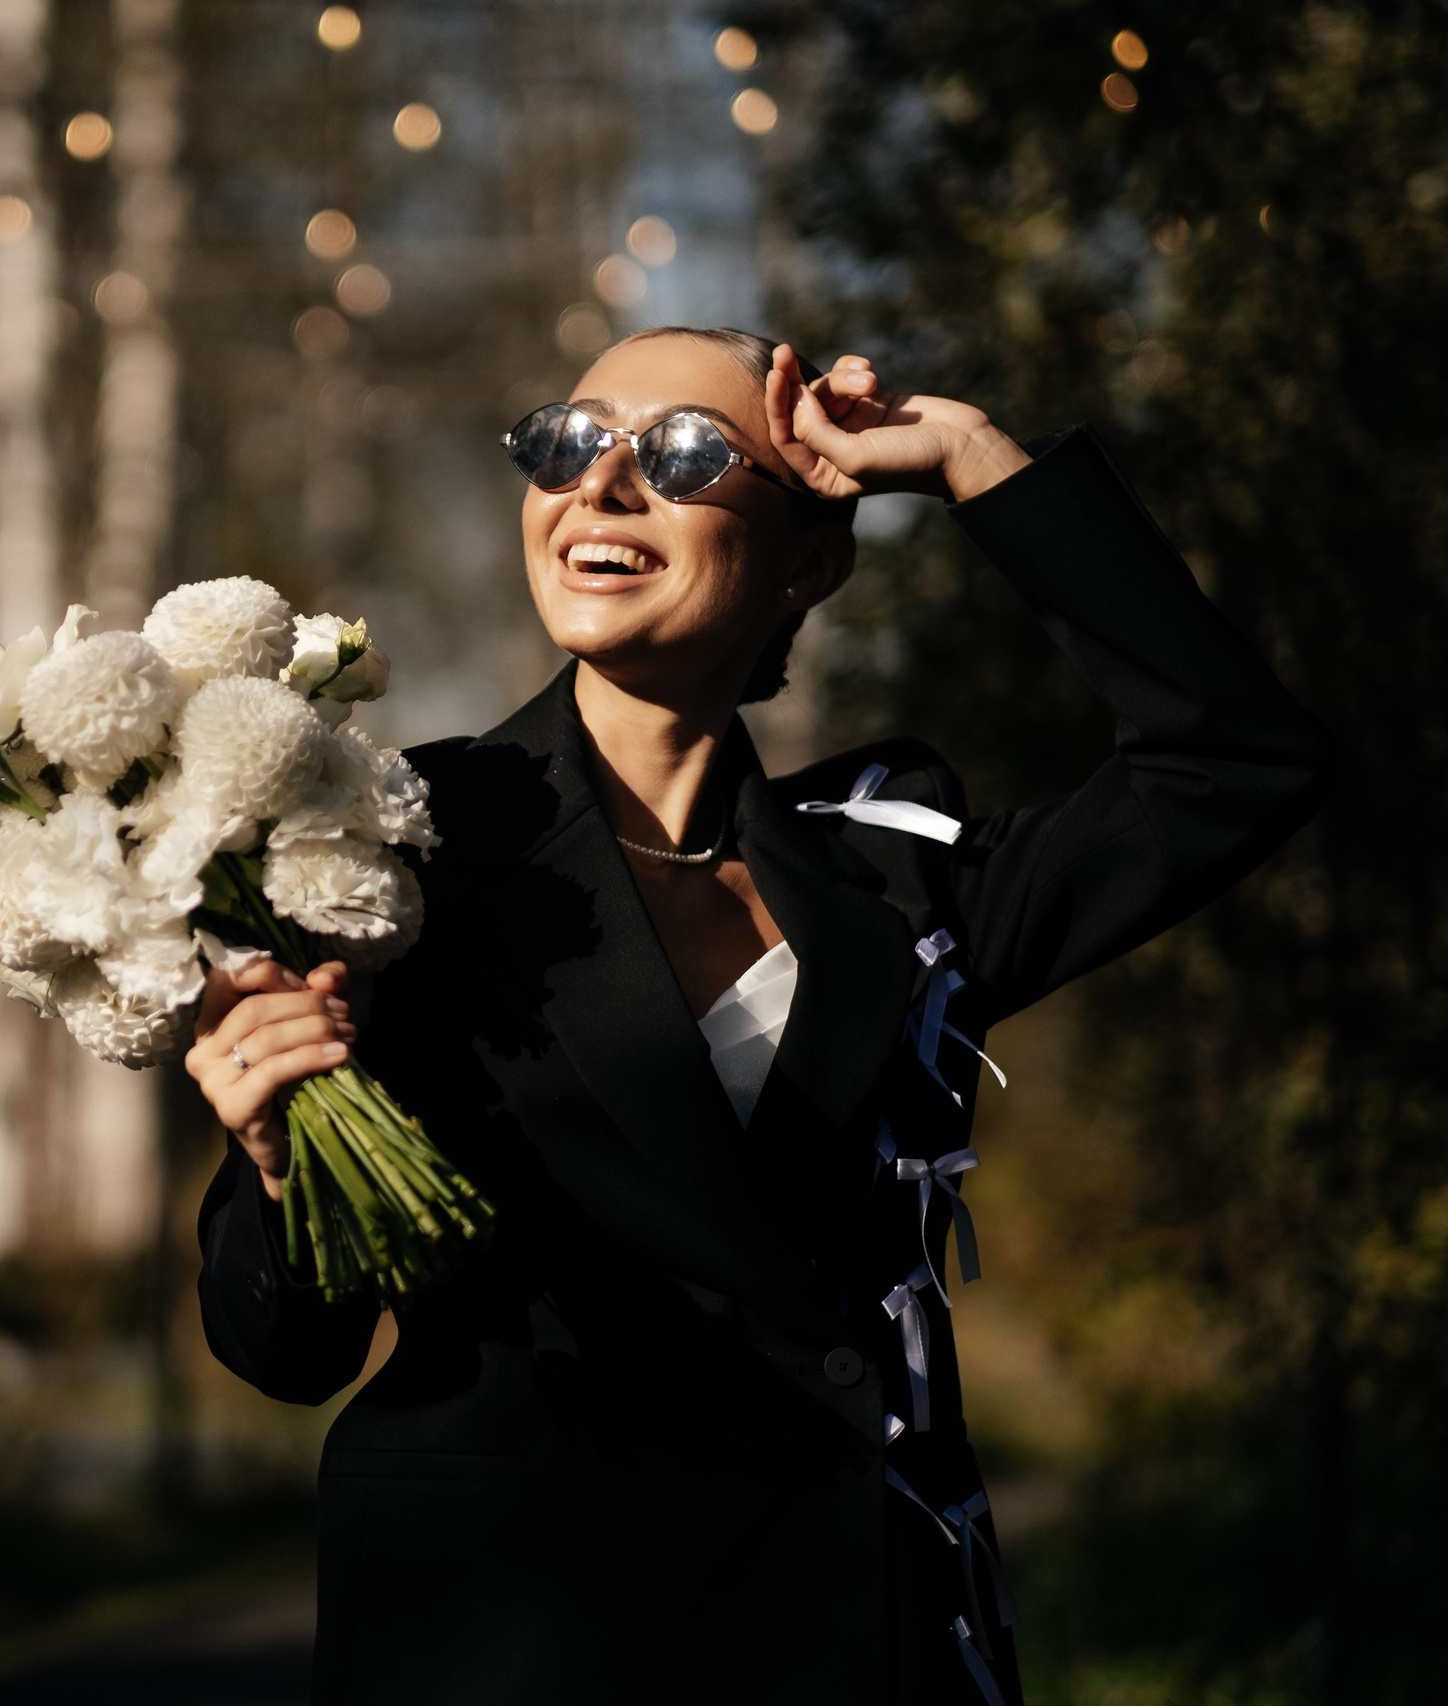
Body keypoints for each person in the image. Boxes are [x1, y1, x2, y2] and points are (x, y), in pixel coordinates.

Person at [183, 328, 1331, 1705]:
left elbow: (1234, 765)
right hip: (512, 1645)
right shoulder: (388, 845)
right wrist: (269, 1164)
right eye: (570, 439)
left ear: (809, 560)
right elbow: (284, 1349)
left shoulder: (895, 874)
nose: (601, 487)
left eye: (680, 456)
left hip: (846, 1638)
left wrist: (975, 457)